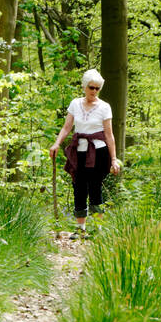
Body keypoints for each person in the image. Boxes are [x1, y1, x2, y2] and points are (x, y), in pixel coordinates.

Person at [49, 69, 121, 237]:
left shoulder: (104, 107)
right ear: (84, 86)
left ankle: (98, 229)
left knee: (95, 188)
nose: (94, 91)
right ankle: (80, 229)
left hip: (99, 152)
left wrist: (114, 159)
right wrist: (56, 144)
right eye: (91, 87)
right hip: (79, 151)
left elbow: (109, 135)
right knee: (79, 187)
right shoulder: (75, 104)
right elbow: (67, 127)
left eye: (97, 88)